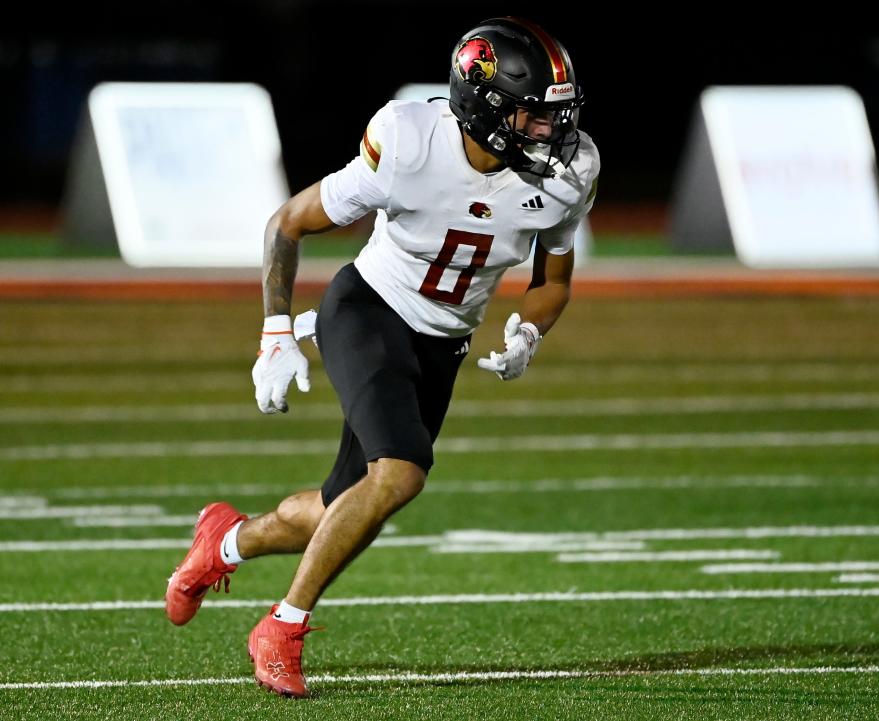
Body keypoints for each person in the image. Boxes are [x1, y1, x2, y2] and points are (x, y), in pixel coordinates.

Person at [164, 15, 600, 698]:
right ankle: (282, 623)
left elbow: (555, 281)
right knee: (398, 473)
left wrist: (531, 330)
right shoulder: (408, 143)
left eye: (555, 117)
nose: (550, 134)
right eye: (531, 116)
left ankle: (224, 541)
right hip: (367, 309)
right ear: (482, 106)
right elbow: (288, 222)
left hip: (443, 342)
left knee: (345, 502)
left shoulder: (571, 172)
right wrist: (275, 331)